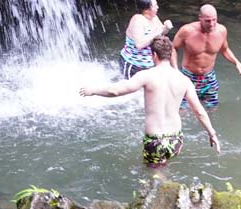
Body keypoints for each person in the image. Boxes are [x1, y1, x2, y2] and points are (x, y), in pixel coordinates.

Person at [81, 36, 220, 167]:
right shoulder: (184, 80)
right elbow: (199, 111)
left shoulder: (147, 75)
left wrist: (93, 90)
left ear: (154, 55)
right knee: (164, 166)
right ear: (171, 54)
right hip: (176, 140)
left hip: (155, 140)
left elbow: (115, 91)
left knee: (156, 175)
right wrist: (212, 133)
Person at [171, 4, 241, 109]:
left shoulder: (221, 31)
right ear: (200, 18)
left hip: (209, 77)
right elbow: (173, 48)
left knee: (212, 108)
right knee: (182, 109)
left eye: (214, 20)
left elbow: (224, 50)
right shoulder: (187, 31)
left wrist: (237, 63)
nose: (211, 24)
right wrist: (175, 70)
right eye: (207, 21)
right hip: (188, 76)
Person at [118, 0, 173, 79]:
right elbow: (139, 44)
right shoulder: (138, 20)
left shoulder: (154, 18)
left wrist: (166, 28)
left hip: (149, 64)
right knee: (130, 90)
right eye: (155, 6)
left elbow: (161, 34)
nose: (158, 7)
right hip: (133, 64)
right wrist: (159, 30)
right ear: (147, 10)